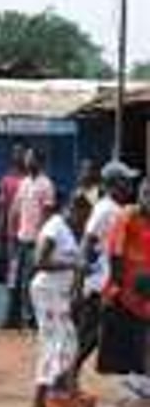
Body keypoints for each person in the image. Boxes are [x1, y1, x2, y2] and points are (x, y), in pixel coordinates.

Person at [74, 160, 140, 378]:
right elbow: (87, 242)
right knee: (88, 337)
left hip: (109, 284)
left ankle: (68, 380)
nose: (130, 186)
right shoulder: (104, 209)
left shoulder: (118, 210)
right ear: (113, 184)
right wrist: (79, 284)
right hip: (98, 285)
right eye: (126, 181)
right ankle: (64, 382)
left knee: (98, 337)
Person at [27, 192, 90, 407]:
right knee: (61, 343)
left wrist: (75, 288)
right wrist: (73, 264)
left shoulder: (68, 230)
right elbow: (40, 261)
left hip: (58, 293)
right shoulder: (55, 227)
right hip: (46, 290)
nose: (84, 221)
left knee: (62, 342)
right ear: (73, 209)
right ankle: (53, 398)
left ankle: (43, 400)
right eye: (83, 215)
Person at [99, 178, 150, 407]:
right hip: (127, 290)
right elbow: (115, 254)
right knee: (121, 343)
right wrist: (119, 285)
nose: (147, 198)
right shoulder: (127, 216)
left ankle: (141, 390)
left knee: (142, 340)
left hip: (145, 291)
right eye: (145, 193)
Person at [8, 148, 55, 329]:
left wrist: (42, 239)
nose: (27, 161)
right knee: (18, 280)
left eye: (30, 158)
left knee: (32, 280)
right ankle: (22, 318)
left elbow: (47, 214)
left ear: (38, 162)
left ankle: (31, 319)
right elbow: (15, 207)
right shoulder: (24, 182)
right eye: (27, 158)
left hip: (36, 241)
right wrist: (11, 232)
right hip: (21, 239)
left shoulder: (46, 184)